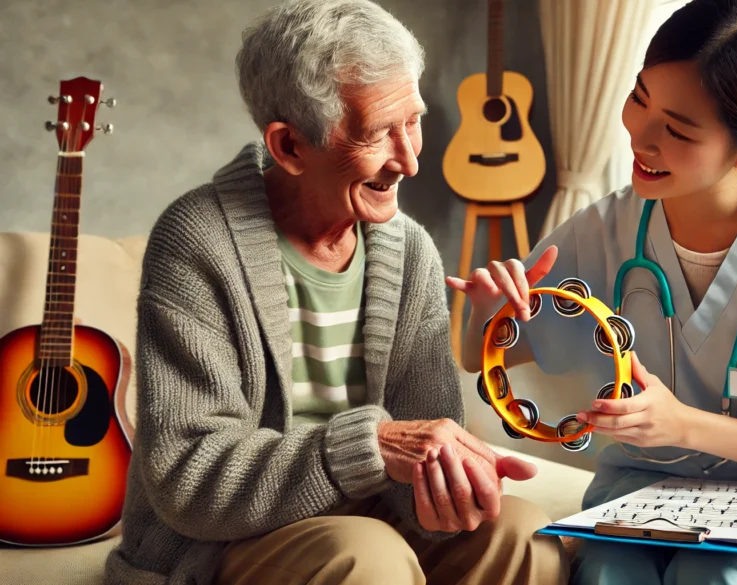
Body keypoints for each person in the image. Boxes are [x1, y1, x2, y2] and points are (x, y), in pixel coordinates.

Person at [449, 1, 737, 583]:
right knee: (605, 577)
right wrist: (489, 311)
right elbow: (484, 357)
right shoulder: (604, 228)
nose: (641, 140)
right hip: (647, 487)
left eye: (676, 129)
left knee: (714, 579)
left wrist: (682, 425)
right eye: (639, 99)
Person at [103, 1, 569, 584]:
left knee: (524, 538)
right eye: (378, 134)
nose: (410, 160)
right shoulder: (197, 242)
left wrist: (451, 484)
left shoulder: (408, 251)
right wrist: (368, 445)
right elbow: (187, 478)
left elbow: (424, 437)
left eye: (414, 121)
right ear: (290, 146)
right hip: (227, 540)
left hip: (372, 518)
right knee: (366, 556)